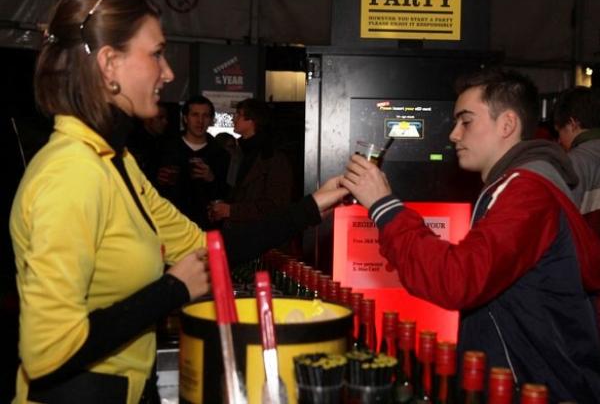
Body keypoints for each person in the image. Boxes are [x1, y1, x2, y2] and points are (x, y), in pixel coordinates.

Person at [9, 0, 347, 404]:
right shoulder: (72, 173)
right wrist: (172, 289)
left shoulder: (114, 161)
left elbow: (207, 248)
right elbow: (48, 351)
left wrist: (311, 207)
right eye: (156, 54)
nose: (168, 73)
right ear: (110, 63)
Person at [341, 69, 600, 402]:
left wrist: (384, 207)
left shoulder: (527, 191)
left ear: (507, 124)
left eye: (466, 121)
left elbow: (458, 279)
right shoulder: (513, 186)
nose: (453, 134)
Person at [211, 98, 294, 224]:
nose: (234, 119)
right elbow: (234, 191)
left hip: (260, 232)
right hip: (237, 230)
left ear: (252, 120)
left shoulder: (273, 157)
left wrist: (231, 210)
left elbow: (275, 205)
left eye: (239, 114)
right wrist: (222, 208)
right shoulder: (239, 152)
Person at [156, 95, 230, 230]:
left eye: (205, 116)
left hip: (205, 227)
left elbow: (228, 195)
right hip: (169, 223)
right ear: (185, 118)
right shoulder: (166, 148)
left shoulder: (220, 154)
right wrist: (159, 179)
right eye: (195, 115)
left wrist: (212, 179)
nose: (200, 121)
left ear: (211, 120)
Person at [553, 86, 600, 234]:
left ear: (572, 124)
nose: (559, 140)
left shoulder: (572, 162)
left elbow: (563, 223)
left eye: (560, 132)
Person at [127, 101, 169, 184]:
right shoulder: (134, 142)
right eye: (160, 118)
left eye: (166, 118)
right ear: (147, 119)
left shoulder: (165, 142)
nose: (165, 122)